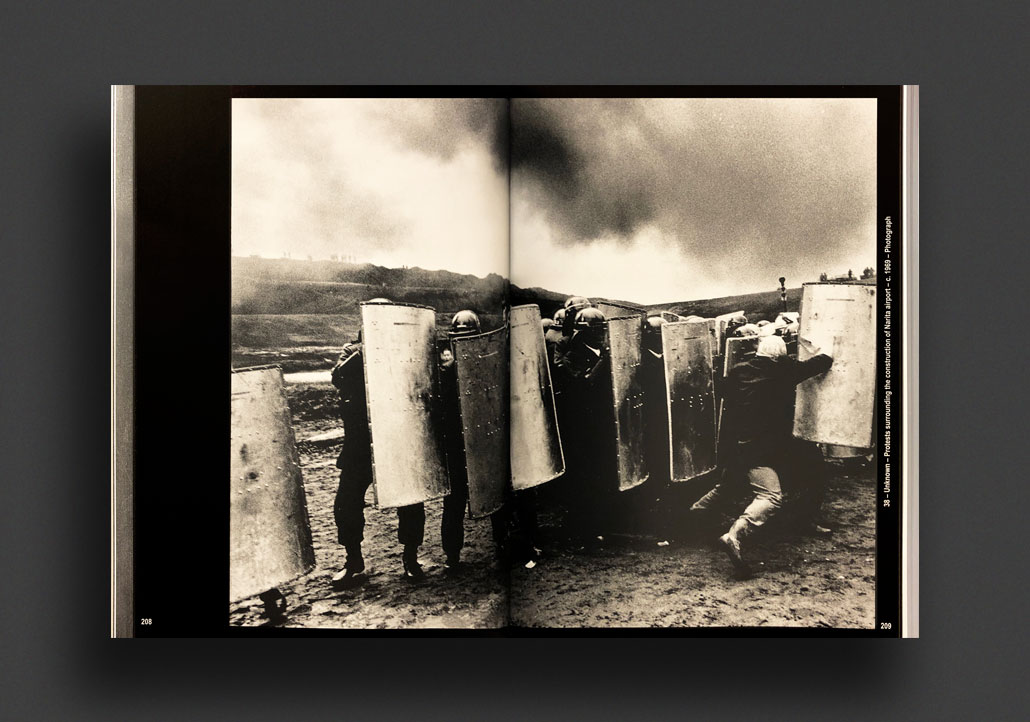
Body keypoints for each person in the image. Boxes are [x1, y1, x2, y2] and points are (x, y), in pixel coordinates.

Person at [692, 334, 833, 577]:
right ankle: (735, 535)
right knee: (770, 496)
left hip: (735, 445)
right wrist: (829, 348)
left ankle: (691, 517)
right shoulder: (782, 371)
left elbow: (722, 390)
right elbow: (819, 363)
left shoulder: (739, 370)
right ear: (778, 357)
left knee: (727, 487)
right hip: (760, 449)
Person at [330, 300, 427, 590]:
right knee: (346, 505)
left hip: (396, 440)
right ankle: (353, 561)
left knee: (410, 501)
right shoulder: (351, 351)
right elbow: (338, 377)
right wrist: (366, 349)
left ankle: (411, 557)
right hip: (359, 445)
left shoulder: (404, 351)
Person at [437, 310, 510, 574]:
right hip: (457, 446)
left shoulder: (487, 367)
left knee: (494, 499)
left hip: (483, 443)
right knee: (455, 503)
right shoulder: (444, 373)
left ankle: (501, 545)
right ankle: (452, 554)